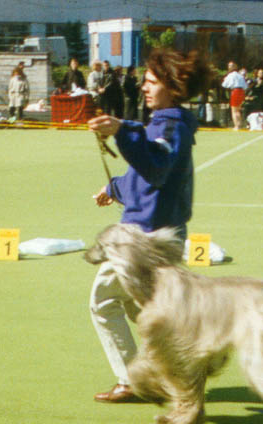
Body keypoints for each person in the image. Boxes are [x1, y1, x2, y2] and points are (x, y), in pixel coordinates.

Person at [87, 47, 214, 403]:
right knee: (142, 308)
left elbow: (155, 167)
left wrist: (122, 129)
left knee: (103, 302)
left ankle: (134, 380)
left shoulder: (168, 124)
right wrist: (114, 188)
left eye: (152, 82)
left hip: (145, 237)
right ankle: (181, 365)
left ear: (173, 87)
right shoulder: (167, 123)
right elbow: (147, 180)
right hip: (158, 232)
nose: (144, 87)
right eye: (144, 80)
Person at [221, 61, 247, 130]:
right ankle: (239, 124)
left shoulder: (230, 75)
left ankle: (236, 125)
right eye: (229, 65)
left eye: (231, 66)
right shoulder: (240, 75)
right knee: (238, 110)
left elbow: (224, 85)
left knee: (234, 110)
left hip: (235, 91)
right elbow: (245, 86)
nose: (229, 67)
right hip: (241, 91)